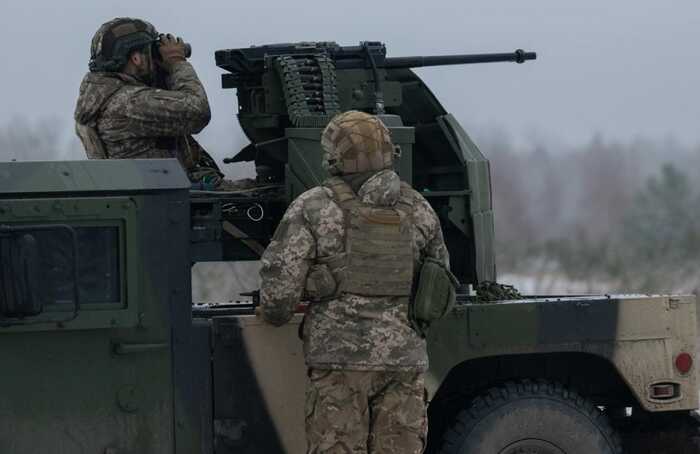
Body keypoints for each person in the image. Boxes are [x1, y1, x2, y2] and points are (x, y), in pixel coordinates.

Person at [259, 110, 451, 453]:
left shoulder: (312, 207)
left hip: (338, 366)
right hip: (404, 363)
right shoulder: (419, 208)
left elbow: (278, 300)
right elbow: (439, 289)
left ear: (333, 157)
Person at [74, 17, 245, 190]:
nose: (157, 58)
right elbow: (197, 111)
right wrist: (177, 62)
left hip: (159, 198)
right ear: (136, 58)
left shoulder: (104, 98)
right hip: (168, 205)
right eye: (151, 51)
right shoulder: (128, 103)